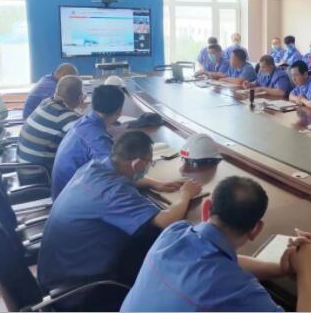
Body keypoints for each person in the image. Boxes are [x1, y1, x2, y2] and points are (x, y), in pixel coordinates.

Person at [38, 131, 203, 311]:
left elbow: (121, 178)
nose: (149, 166)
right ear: (137, 164)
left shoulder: (93, 168)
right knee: (158, 243)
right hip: (81, 288)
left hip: (56, 271)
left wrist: (154, 183)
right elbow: (166, 221)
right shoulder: (112, 193)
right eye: (150, 162)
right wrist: (186, 195)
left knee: (145, 238)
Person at [121, 176, 311, 312]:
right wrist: (305, 272)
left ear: (206, 208)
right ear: (256, 230)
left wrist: (281, 269)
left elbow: (222, 264)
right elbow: (223, 271)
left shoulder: (175, 233)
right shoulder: (239, 290)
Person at [52, 85, 181, 199]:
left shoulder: (84, 121)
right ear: (119, 111)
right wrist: (155, 183)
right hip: (74, 197)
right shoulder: (98, 139)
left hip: (64, 193)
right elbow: (117, 174)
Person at [17, 75, 84, 172]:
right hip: (40, 174)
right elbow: (86, 140)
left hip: (25, 168)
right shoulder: (66, 117)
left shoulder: (46, 102)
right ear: (80, 97)